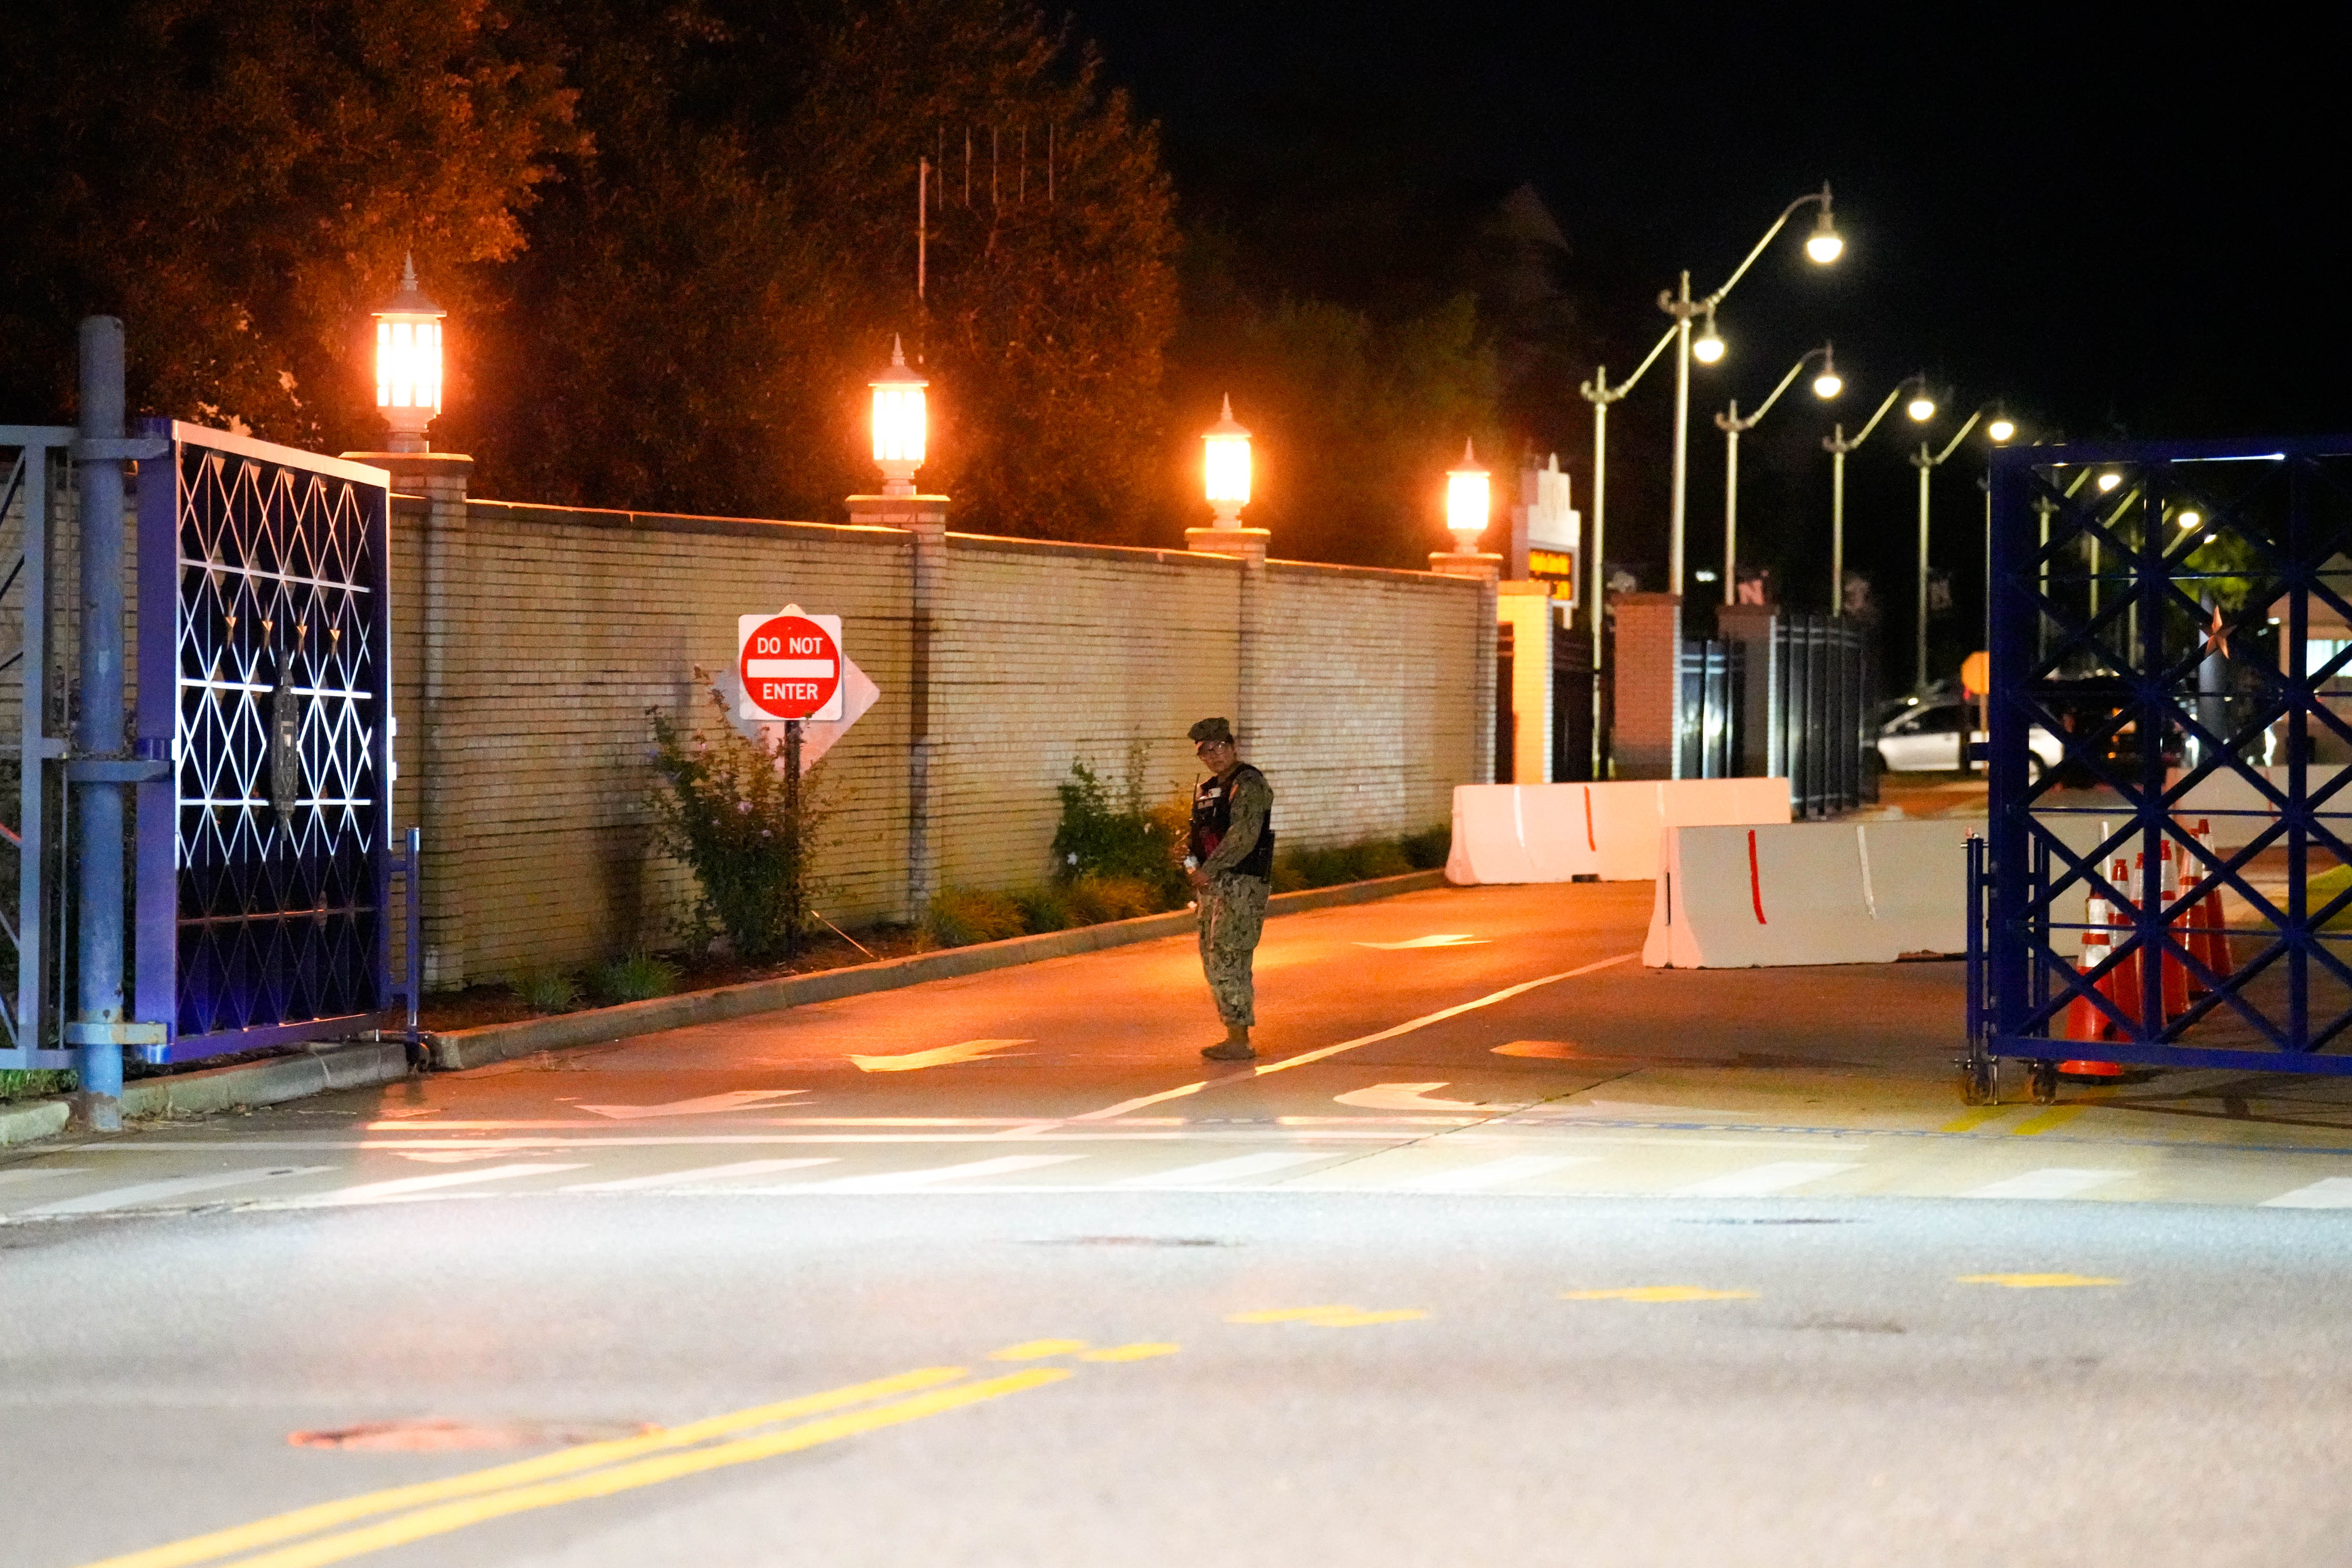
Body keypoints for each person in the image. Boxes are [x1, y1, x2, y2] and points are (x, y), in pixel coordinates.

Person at [1185, 717, 1275, 1061]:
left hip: (1240, 883)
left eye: (1219, 747)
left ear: (1232, 746)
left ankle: (1239, 1038)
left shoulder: (1248, 783)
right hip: (1213, 885)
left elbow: (1243, 835)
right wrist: (1187, 853)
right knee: (1213, 956)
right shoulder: (1209, 789)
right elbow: (1207, 832)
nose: (1213, 755)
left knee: (1229, 954)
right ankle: (1232, 1032)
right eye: (1205, 751)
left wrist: (1207, 870)